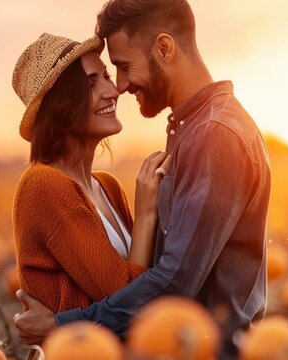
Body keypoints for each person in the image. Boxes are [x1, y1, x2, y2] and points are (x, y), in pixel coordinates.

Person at [13, 0, 272, 357]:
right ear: (63, 106)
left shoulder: (213, 134)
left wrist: (62, 325)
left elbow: (172, 284)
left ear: (164, 48)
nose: (118, 86)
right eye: (101, 78)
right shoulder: (194, 132)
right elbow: (149, 281)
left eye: (120, 67)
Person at [11, 33, 171, 315]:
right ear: (61, 104)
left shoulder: (108, 187)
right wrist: (146, 214)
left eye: (106, 77)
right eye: (91, 83)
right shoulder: (44, 185)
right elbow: (125, 299)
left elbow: (145, 280)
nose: (112, 91)